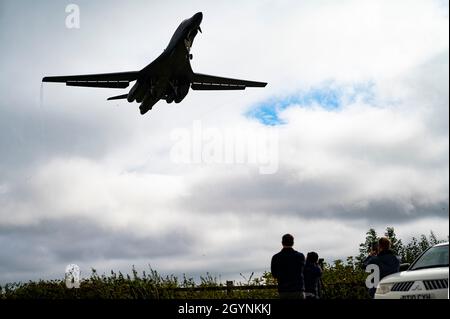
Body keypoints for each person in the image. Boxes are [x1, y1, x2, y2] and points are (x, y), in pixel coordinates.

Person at [271, 234, 306, 299]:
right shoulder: (300, 256)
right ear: (293, 243)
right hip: (298, 290)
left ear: (282, 243)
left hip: (283, 290)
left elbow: (274, 275)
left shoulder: (276, 257)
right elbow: (304, 271)